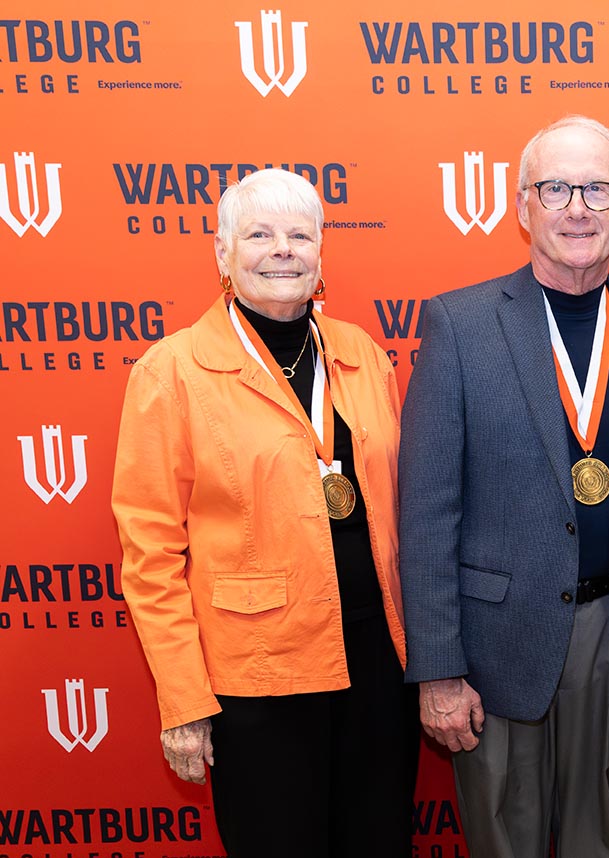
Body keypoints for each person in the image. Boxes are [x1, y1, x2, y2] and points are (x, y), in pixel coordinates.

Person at [398, 115, 609, 858]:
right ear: (521, 205)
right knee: (505, 840)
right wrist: (437, 671)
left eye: (597, 190)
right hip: (495, 641)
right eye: (556, 187)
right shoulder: (459, 324)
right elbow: (426, 512)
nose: (577, 208)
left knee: (600, 841)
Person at [111, 168, 419, 857]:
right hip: (257, 677)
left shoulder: (362, 355)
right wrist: (185, 702)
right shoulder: (172, 372)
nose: (282, 249)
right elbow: (151, 555)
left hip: (375, 660)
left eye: (299, 235)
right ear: (221, 254)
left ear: (319, 254)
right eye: (258, 234)